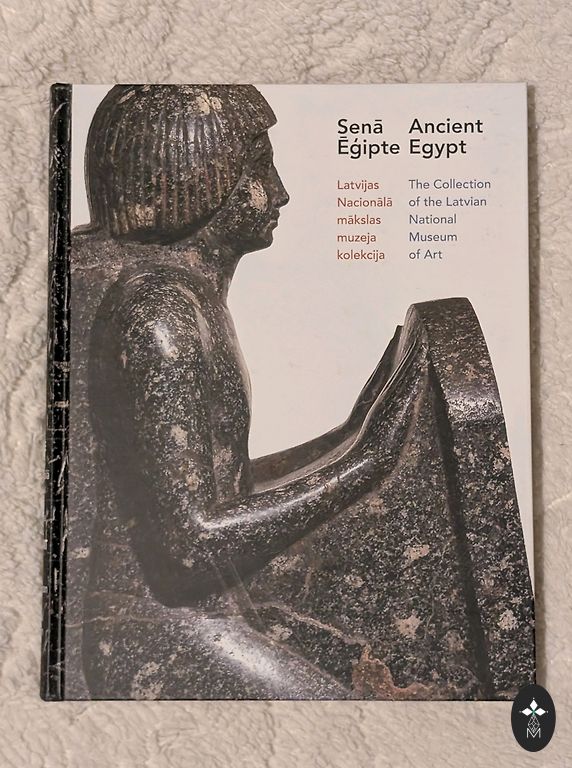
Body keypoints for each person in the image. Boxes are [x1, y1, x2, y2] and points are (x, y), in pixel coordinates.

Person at [79, 85, 422, 699]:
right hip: (160, 633)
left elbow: (220, 488)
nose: (280, 191)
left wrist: (346, 439)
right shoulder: (161, 313)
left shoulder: (182, 298)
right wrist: (367, 461)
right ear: (198, 181)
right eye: (258, 167)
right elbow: (192, 545)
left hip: (211, 613)